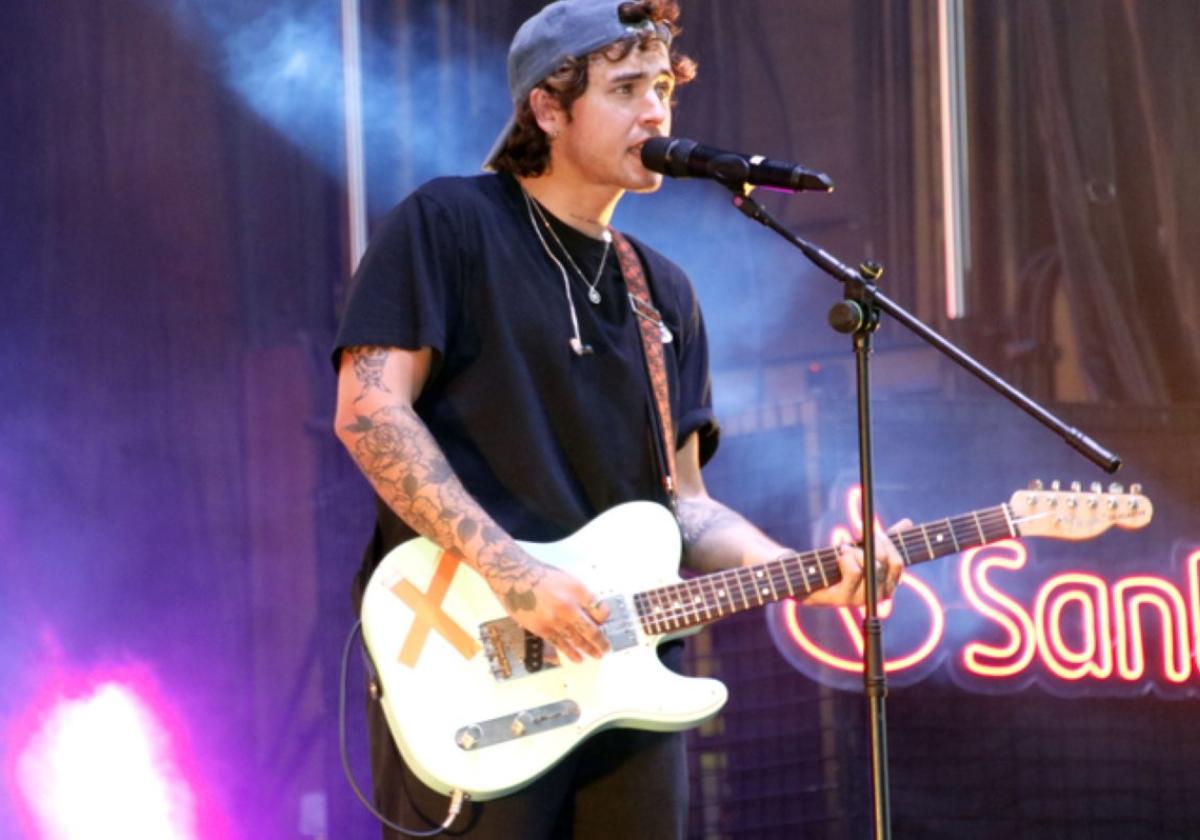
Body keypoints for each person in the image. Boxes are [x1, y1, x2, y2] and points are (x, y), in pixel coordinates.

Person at [333, 1, 905, 836]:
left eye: (665, 88)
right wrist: (514, 573)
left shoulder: (662, 289)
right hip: (472, 652)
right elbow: (369, 415)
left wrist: (805, 571)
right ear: (549, 108)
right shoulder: (448, 225)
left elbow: (686, 505)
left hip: (625, 682)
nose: (656, 111)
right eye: (627, 87)